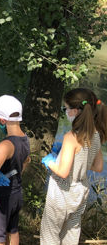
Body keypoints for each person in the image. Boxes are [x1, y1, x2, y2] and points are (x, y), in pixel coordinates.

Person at [40, 88, 106, 244]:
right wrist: (77, 162)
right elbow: (98, 167)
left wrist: (50, 161)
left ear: (75, 111)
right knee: (70, 234)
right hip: (80, 191)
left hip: (62, 193)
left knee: (50, 235)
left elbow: (63, 172)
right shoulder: (95, 135)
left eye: (66, 108)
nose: (65, 112)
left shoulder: (71, 137)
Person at [0, 95, 30, 245]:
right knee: (13, 230)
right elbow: (26, 161)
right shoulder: (25, 139)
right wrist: (13, 174)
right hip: (16, 193)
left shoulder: (5, 145)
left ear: (2, 120)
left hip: (0, 197)